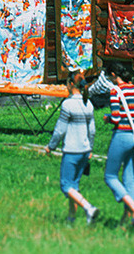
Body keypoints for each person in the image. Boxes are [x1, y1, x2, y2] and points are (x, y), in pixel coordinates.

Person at [47, 71, 99, 224]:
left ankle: (88, 207)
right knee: (74, 186)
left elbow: (60, 130)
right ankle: (71, 219)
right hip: (84, 150)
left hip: (71, 150)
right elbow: (92, 130)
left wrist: (51, 146)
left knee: (65, 185)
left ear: (70, 84)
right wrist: (90, 148)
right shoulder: (88, 104)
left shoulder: (67, 104)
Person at [103, 64, 134, 228]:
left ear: (114, 75)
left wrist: (108, 118)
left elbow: (115, 117)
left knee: (110, 176)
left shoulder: (115, 91)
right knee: (129, 178)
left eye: (110, 77)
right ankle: (131, 219)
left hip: (121, 135)